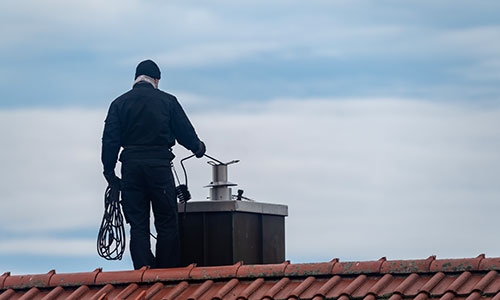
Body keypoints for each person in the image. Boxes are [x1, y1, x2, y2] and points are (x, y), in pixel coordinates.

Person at [101, 59, 206, 269]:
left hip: (131, 168)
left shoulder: (119, 104)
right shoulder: (167, 101)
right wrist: (197, 147)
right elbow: (184, 131)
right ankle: (165, 274)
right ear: (156, 79)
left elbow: (110, 140)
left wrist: (109, 172)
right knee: (167, 222)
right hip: (159, 167)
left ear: (135, 79)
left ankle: (143, 273)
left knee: (138, 224)